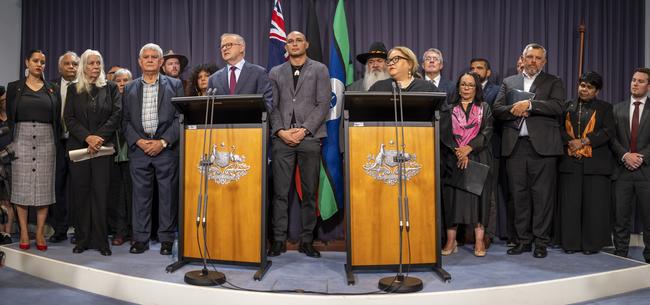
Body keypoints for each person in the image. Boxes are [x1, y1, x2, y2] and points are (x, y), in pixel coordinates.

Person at [493, 43, 566, 258]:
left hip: (543, 149)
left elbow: (558, 107)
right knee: (519, 197)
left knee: (543, 198)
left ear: (544, 62)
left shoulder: (553, 81)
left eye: (538, 58)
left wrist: (531, 106)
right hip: (515, 148)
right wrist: (514, 109)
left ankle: (541, 243)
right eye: (530, 57)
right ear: (522, 58)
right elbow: (497, 110)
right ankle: (522, 241)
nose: (533, 61)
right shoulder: (509, 82)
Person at [267, 31, 330, 258]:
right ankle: (279, 240)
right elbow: (271, 106)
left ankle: (307, 240)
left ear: (307, 44)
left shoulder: (320, 69)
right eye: (290, 41)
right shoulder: (275, 72)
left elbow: (323, 104)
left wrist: (303, 130)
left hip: (310, 138)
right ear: (287, 46)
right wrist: (281, 131)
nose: (294, 44)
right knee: (280, 193)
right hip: (282, 139)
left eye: (298, 40)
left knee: (309, 193)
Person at [123, 43, 183, 255]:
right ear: (140, 62)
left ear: (160, 62)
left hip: (165, 150)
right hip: (139, 150)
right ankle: (140, 239)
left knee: (167, 197)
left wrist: (163, 142)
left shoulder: (175, 85)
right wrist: (138, 141)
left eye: (154, 57)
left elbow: (179, 118)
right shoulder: (129, 87)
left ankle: (166, 240)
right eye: (145, 57)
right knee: (140, 197)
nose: (149, 60)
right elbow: (126, 120)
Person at [64, 49, 121, 256]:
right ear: (83, 67)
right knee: (81, 195)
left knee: (101, 195)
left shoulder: (111, 87)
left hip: (103, 150)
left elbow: (116, 115)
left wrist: (98, 138)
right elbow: (69, 118)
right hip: (79, 149)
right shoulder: (73, 89)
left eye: (98, 63)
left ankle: (101, 241)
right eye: (91, 63)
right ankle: (82, 240)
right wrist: (88, 137)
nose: (95, 67)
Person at [6, 50, 62, 251]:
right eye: (36, 61)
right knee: (21, 188)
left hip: (47, 139)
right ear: (27, 63)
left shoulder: (52, 89)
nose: (40, 64)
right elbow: (10, 116)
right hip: (21, 138)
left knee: (44, 188)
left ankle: (39, 233)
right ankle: (22, 230)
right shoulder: (14, 88)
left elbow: (57, 120)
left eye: (43, 62)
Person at [558, 71, 614, 255]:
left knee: (593, 205)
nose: (584, 89)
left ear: (597, 90)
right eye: (582, 85)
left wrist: (583, 141)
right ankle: (571, 243)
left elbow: (608, 132)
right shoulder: (567, 106)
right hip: (570, 160)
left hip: (595, 163)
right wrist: (570, 142)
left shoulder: (605, 108)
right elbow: (559, 129)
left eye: (589, 87)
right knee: (570, 205)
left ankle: (591, 245)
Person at [439, 72, 494, 257]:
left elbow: (487, 131)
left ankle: (479, 241)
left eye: (470, 85)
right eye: (463, 84)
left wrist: (469, 148)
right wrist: (459, 151)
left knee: (479, 201)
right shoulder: (449, 108)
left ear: (476, 88)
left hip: (478, 157)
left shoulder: (484, 107)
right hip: (453, 158)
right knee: (452, 201)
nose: (466, 88)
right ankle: (451, 240)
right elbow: (445, 134)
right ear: (458, 87)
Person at [611, 68, 650, 263]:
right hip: (622, 171)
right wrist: (626, 155)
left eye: (640, 81)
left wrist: (640, 157)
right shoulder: (617, 109)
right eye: (633, 80)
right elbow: (612, 138)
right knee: (620, 217)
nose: (635, 83)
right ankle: (620, 255)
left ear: (648, 86)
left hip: (646, 172)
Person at [49, 51, 79, 244]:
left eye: (75, 64)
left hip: (78, 142)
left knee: (80, 188)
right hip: (56, 143)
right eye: (67, 64)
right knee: (56, 187)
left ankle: (80, 229)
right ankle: (59, 229)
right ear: (60, 68)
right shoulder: (50, 87)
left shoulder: (85, 86)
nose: (71, 67)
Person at [208, 33, 272, 110]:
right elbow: (209, 108)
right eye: (222, 46)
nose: (224, 49)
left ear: (241, 48)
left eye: (229, 45)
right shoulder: (213, 78)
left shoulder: (259, 73)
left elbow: (267, 104)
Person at [108, 68, 133, 246]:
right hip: (114, 153)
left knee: (133, 195)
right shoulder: (109, 100)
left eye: (126, 80)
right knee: (116, 196)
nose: (122, 83)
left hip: (133, 151)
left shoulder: (135, 99)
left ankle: (134, 230)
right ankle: (119, 231)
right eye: (119, 80)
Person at [369, 46, 438, 93]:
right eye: (389, 60)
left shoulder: (427, 88)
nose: (391, 63)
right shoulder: (378, 87)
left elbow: (442, 112)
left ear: (410, 64)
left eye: (396, 59)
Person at [0, 86, 14, 245]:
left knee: (9, 201)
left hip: (11, 163)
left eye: (6, 100)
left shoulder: (13, 118)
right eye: (2, 100)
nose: (4, 102)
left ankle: (8, 234)